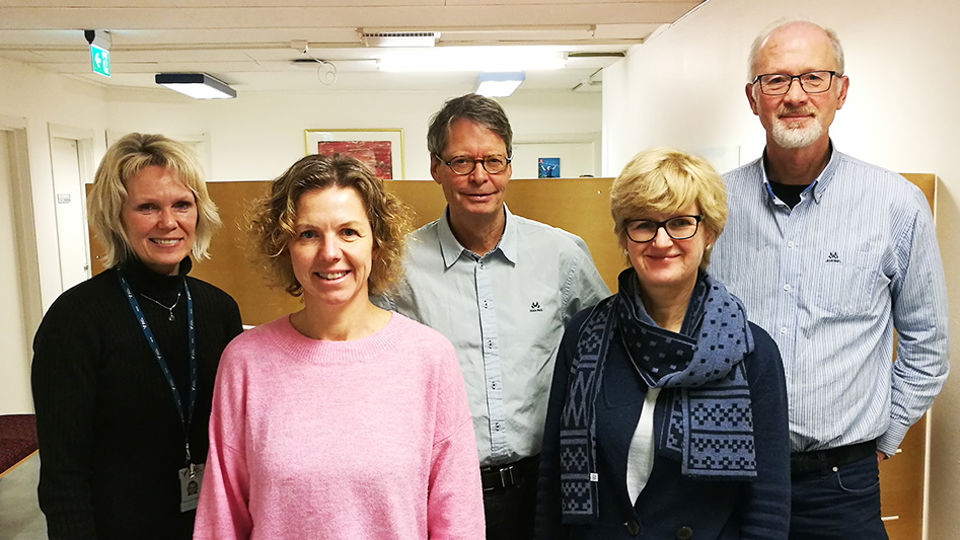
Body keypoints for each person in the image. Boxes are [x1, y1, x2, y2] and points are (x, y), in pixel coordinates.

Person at [711, 20, 950, 539]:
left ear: (841, 91)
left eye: (814, 78)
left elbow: (927, 345)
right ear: (753, 98)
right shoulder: (713, 208)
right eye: (776, 79)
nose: (795, 95)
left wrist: (882, 435)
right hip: (731, 481)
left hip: (842, 487)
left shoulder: (896, 205)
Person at [193, 154, 485, 539]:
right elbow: (222, 522)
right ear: (285, 247)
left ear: (376, 243)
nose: (330, 252)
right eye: (308, 234)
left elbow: (459, 522)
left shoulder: (429, 359)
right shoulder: (245, 361)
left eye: (348, 232)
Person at [375, 93, 609, 539]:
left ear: (509, 166)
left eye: (493, 161)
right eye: (462, 161)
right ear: (436, 168)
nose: (479, 177)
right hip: (442, 492)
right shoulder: (398, 266)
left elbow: (606, 355)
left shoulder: (561, 255)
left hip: (546, 487)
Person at [535, 148, 790, 539]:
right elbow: (553, 479)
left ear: (709, 233)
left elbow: (767, 507)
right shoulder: (584, 335)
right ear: (624, 237)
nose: (661, 240)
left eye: (680, 222)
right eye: (643, 224)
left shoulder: (751, 352)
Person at [31, 133, 243, 539]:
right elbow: (63, 474)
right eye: (147, 207)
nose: (168, 222)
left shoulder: (219, 310)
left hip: (209, 526)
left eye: (181, 204)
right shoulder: (75, 320)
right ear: (116, 216)